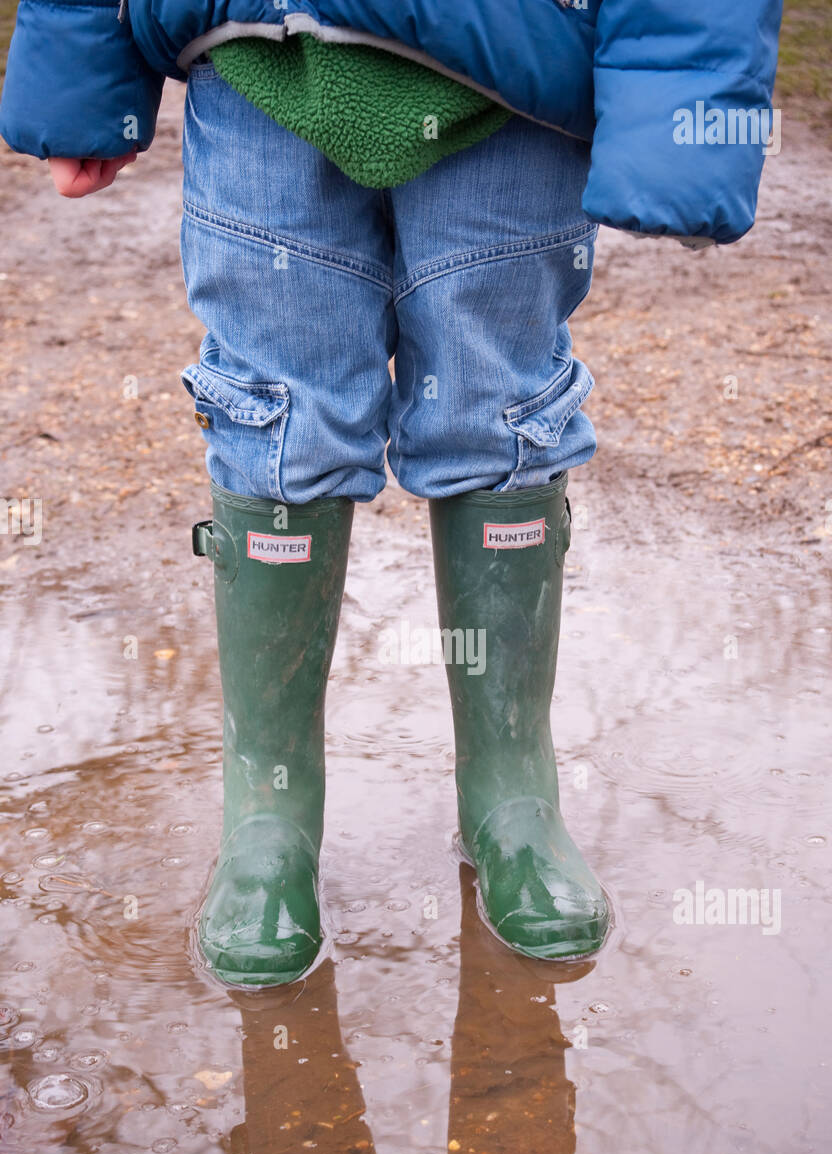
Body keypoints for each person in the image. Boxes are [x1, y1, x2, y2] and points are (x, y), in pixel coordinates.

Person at [0, 2, 783, 987]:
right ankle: (268, 817)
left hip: (512, 71)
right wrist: (81, 79)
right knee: (272, 415)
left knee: (500, 411)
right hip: (253, 63)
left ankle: (510, 794)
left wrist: (684, 120)